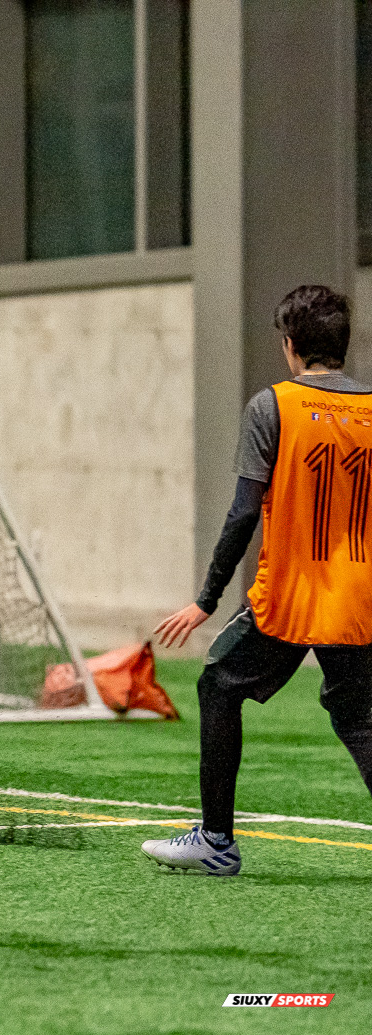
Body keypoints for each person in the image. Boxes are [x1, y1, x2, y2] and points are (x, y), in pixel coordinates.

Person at [145, 285, 372, 875]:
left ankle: (216, 841)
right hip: (361, 602)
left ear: (290, 346)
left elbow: (244, 512)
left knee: (219, 687)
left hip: (293, 598)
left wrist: (206, 600)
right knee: (359, 718)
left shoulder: (272, 406)